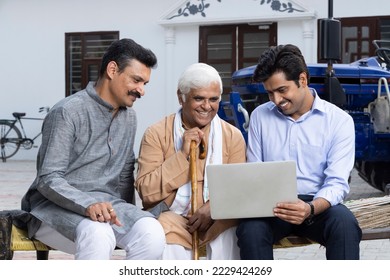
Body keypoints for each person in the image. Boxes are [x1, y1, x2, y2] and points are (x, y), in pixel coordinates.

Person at [21, 38, 165, 260]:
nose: (141, 90)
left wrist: (130, 215)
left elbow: (126, 173)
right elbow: (48, 178)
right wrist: (88, 204)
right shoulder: (67, 112)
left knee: (152, 233)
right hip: (51, 209)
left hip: (108, 207)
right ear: (112, 69)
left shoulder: (130, 118)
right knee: (99, 232)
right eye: (137, 80)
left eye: (145, 84)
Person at [236, 44, 362, 260]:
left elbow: (337, 183)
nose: (276, 100)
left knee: (344, 223)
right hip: (273, 208)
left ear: (302, 80)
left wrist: (310, 208)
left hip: (317, 207)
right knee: (250, 229)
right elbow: (255, 172)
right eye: (270, 93)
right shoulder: (260, 117)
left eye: (282, 90)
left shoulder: (339, 121)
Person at [135, 63, 246, 260]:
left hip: (218, 219)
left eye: (213, 99)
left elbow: (239, 189)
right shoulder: (156, 133)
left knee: (235, 230)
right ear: (181, 97)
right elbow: (147, 192)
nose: (207, 106)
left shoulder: (232, 136)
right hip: (173, 219)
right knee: (159, 232)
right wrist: (183, 155)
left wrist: (214, 206)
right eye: (198, 98)